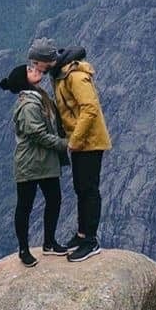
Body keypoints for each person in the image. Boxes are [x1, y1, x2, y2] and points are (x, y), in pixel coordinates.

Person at [27, 37, 110, 262]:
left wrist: (74, 140)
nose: (35, 67)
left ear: (46, 61)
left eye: (36, 63)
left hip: (89, 142)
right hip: (80, 142)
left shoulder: (74, 76)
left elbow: (90, 108)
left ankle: (91, 241)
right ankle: (83, 234)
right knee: (81, 188)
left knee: (89, 189)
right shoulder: (59, 75)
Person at [0, 62, 69, 267]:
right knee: (25, 206)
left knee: (53, 200)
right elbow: (37, 134)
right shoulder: (29, 104)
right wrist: (64, 145)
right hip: (30, 162)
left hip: (44, 161)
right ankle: (24, 250)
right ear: (23, 80)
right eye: (29, 70)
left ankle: (49, 242)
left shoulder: (38, 96)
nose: (35, 70)